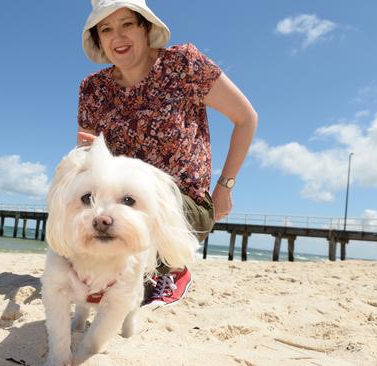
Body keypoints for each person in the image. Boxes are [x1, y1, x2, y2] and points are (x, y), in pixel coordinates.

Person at [76, 0, 258, 306]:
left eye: (127, 24)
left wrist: (224, 187)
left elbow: (246, 118)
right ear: (99, 40)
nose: (117, 36)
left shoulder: (183, 64)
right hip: (125, 205)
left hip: (182, 207)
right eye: (106, 29)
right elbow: (91, 162)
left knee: (148, 209)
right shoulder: (93, 89)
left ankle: (174, 270)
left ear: (146, 28)